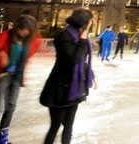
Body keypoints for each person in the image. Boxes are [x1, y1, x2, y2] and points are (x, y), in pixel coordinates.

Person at [40, 8, 97, 144]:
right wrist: (83, 39)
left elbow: (83, 60)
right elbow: (74, 58)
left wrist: (92, 76)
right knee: (56, 125)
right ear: (84, 23)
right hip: (59, 88)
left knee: (69, 124)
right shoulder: (64, 36)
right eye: (89, 23)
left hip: (74, 87)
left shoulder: (79, 37)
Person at [0, 15, 40, 144]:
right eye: (21, 29)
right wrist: (0, 54)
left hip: (16, 77)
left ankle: (1, 138)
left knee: (11, 107)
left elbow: (32, 50)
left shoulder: (30, 41)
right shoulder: (6, 36)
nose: (23, 32)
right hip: (3, 77)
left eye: (27, 30)